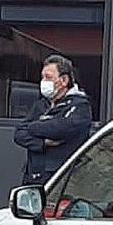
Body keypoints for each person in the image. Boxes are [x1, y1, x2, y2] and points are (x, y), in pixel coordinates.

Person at [13, 55, 92, 186]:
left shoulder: (79, 105)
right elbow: (19, 134)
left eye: (48, 77)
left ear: (64, 80)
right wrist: (43, 143)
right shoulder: (41, 105)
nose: (44, 82)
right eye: (43, 77)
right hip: (33, 178)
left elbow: (61, 129)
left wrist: (33, 127)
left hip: (61, 180)